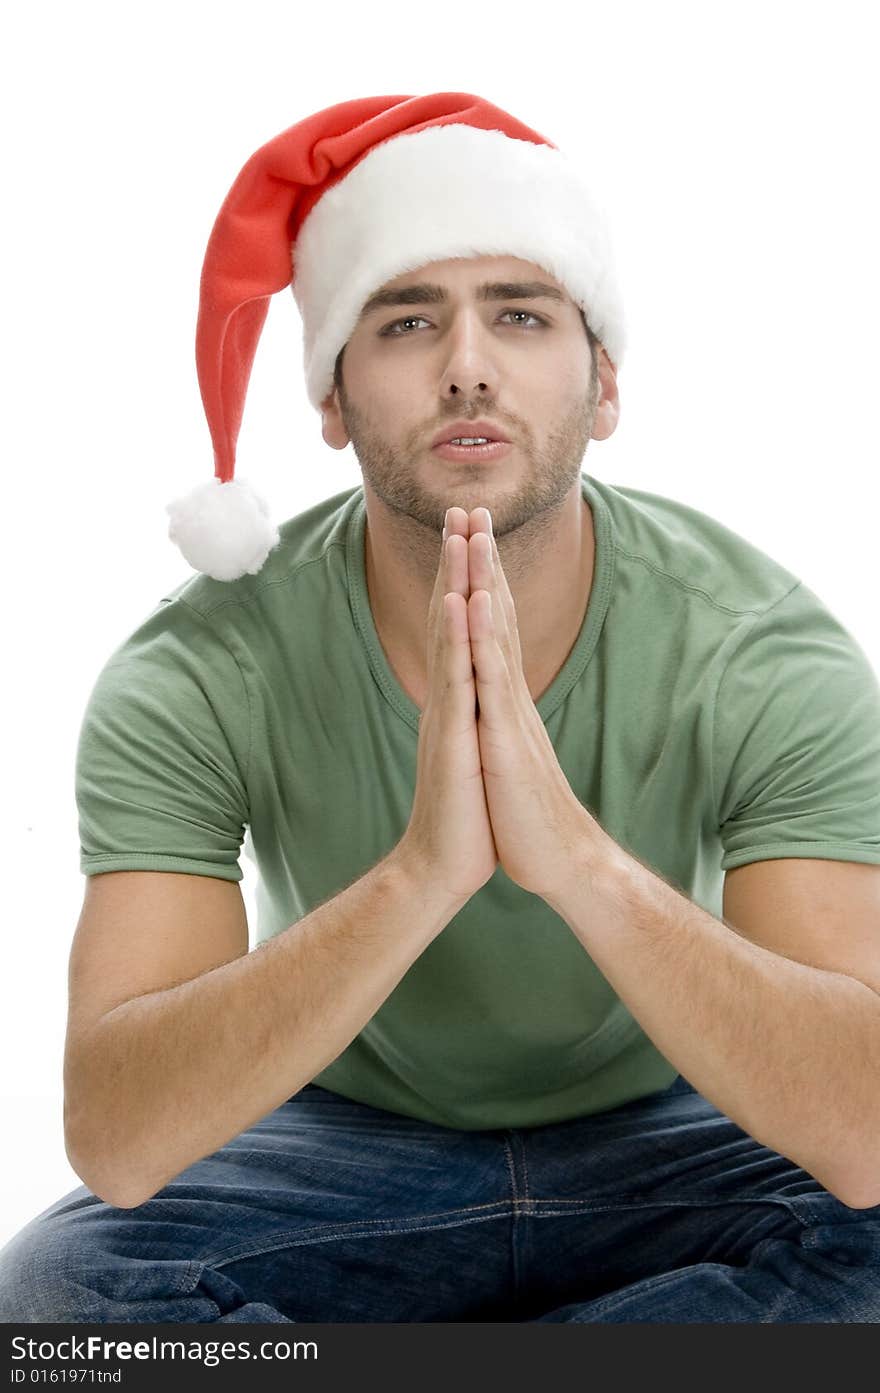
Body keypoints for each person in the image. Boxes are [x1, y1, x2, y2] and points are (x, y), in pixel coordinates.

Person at [2, 91, 880, 1325]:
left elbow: (861, 1125)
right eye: (408, 320)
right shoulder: (195, 669)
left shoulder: (760, 649)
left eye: (519, 314)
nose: (467, 362)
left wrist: (574, 859)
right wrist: (422, 872)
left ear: (605, 383)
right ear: (330, 398)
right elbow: (120, 1137)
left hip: (671, 1140)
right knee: (60, 1297)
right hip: (340, 1152)